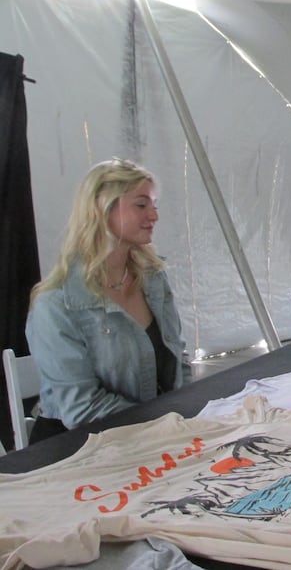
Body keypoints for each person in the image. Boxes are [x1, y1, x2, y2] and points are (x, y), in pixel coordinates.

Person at [26, 158, 185, 443]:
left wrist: (190, 413)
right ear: (102, 208)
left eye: (154, 204)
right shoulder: (56, 304)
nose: (154, 215)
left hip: (150, 434)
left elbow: (178, 363)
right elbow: (81, 408)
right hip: (76, 447)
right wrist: (164, 425)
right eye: (141, 205)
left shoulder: (152, 279)